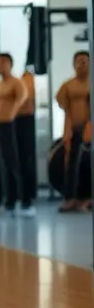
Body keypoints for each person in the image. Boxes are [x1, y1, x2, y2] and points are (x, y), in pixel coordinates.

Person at [0, 53, 29, 215]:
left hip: (8, 126)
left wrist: (12, 112)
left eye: (3, 63)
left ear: (10, 64)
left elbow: (22, 98)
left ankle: (20, 199)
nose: (0, 66)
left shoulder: (17, 83)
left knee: (11, 163)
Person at [55, 51, 91, 213]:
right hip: (74, 128)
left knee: (88, 164)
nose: (81, 63)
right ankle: (70, 198)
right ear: (73, 64)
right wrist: (67, 130)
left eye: (84, 60)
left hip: (91, 128)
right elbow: (62, 103)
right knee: (72, 164)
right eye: (78, 61)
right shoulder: (68, 85)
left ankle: (88, 198)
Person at [14, 67, 38, 215]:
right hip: (12, 122)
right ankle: (17, 196)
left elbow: (27, 103)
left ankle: (26, 197)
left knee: (25, 160)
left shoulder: (28, 80)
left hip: (26, 122)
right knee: (16, 161)